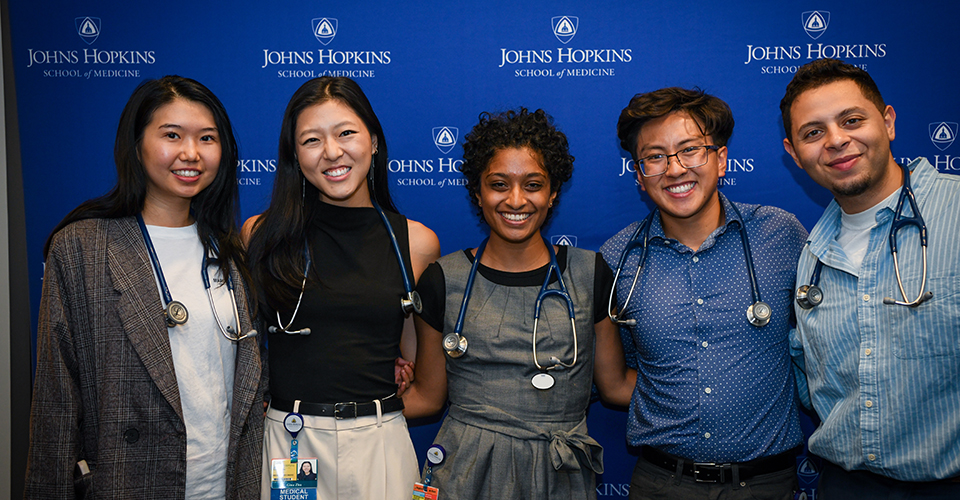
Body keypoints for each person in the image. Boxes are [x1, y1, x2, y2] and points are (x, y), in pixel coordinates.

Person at [24, 76, 264, 499]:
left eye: (207, 138)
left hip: (225, 483)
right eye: (172, 135)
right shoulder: (84, 247)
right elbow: (55, 407)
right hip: (130, 482)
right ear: (136, 145)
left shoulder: (230, 250)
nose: (190, 153)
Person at [402, 108, 635, 499]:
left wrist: (704, 389)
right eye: (498, 184)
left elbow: (613, 387)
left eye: (532, 184)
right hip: (465, 472)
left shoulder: (589, 273)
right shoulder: (444, 279)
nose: (515, 200)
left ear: (553, 191)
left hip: (560, 473)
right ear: (477, 191)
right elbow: (427, 397)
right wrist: (336, 408)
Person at [600, 87, 806, 500]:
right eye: (655, 157)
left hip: (766, 485)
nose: (674, 169)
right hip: (662, 484)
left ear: (721, 159)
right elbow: (614, 379)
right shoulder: (616, 258)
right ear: (639, 176)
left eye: (690, 150)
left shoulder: (780, 235)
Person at [244, 76, 440, 500]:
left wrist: (395, 375)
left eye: (346, 133)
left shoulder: (417, 242)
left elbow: (417, 362)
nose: (332, 152)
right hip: (291, 443)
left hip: (379, 439)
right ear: (294, 155)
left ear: (373, 140)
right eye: (312, 140)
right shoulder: (260, 235)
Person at [781, 58, 960, 497]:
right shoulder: (811, 259)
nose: (837, 140)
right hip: (847, 486)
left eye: (852, 120)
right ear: (794, 153)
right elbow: (812, 383)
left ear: (888, 121)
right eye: (813, 132)